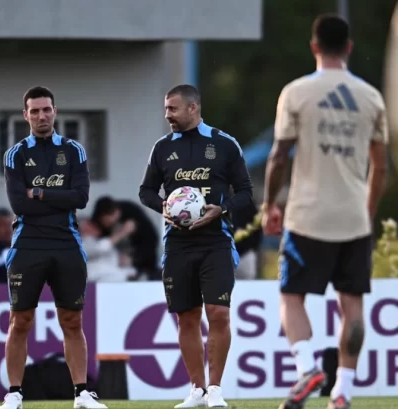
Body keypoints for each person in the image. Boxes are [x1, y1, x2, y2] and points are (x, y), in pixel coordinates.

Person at [262, 14, 388, 409]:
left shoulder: (297, 92)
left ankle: (308, 367)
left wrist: (270, 204)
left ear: (314, 46)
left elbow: (279, 154)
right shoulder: (370, 97)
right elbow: (381, 166)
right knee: (352, 304)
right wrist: (367, 211)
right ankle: (343, 392)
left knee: (291, 296)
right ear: (348, 48)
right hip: (353, 217)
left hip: (307, 215)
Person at [139, 84, 254, 408]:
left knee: (218, 313)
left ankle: (215, 389)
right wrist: (164, 207)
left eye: (173, 109)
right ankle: (197, 390)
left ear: (193, 108)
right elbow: (145, 191)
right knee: (187, 317)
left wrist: (223, 208)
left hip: (216, 240)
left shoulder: (224, 144)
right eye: (165, 109)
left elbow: (245, 192)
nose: (167, 115)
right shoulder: (162, 149)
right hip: (177, 244)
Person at [0, 86, 106, 409]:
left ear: (55, 111)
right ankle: (14, 394)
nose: (42, 116)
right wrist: (52, 199)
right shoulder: (16, 154)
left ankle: (81, 394)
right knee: (20, 322)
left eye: (47, 110)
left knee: (72, 321)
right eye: (35, 111)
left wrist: (41, 193)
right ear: (25, 115)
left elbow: (81, 198)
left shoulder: (74, 151)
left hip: (67, 245)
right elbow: (19, 204)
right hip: (28, 245)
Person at [80, 196, 137, 282]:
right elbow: (98, 248)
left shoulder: (101, 237)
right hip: (94, 281)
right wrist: (122, 233)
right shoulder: (84, 238)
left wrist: (121, 259)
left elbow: (110, 255)